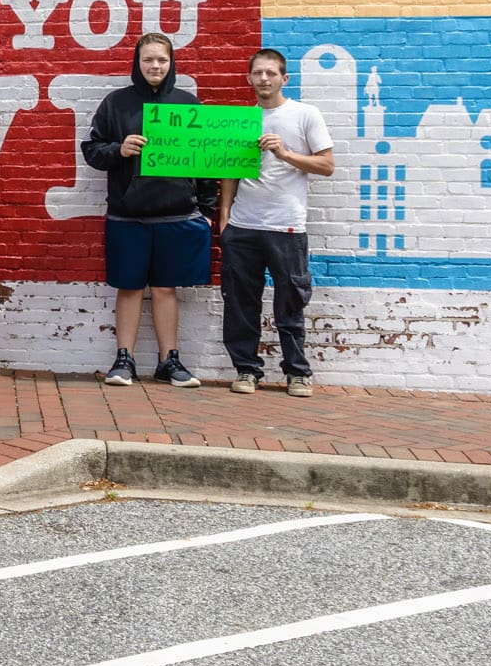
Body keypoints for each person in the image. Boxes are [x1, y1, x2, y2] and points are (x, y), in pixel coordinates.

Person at [83, 33, 215, 389]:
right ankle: (123, 359)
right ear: (137, 63)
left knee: (164, 289)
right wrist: (118, 149)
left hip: (176, 215)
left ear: (171, 63)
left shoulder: (188, 104)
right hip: (128, 215)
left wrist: (207, 209)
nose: (155, 66)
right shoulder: (116, 103)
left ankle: (168, 360)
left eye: (162, 60)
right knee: (127, 288)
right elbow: (91, 151)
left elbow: (205, 164)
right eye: (148, 60)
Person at [218, 48, 333, 397]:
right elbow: (228, 175)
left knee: (291, 302)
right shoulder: (241, 121)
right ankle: (246, 370)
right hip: (243, 226)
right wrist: (224, 219)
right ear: (249, 78)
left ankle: (297, 372)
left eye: (271, 73)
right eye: (258, 73)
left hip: (287, 227)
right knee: (240, 303)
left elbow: (326, 165)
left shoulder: (304, 114)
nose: (264, 79)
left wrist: (284, 153)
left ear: (284, 78)